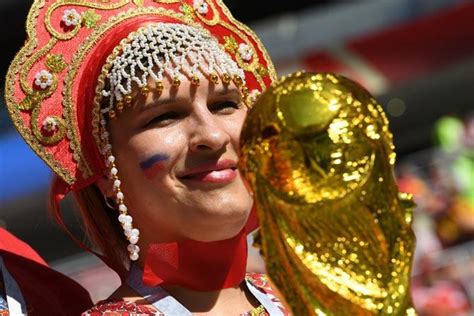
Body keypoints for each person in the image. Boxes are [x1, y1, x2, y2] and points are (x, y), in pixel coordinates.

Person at [5, 0, 287, 314]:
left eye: (224, 105)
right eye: (165, 117)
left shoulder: (317, 293)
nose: (213, 136)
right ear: (105, 176)